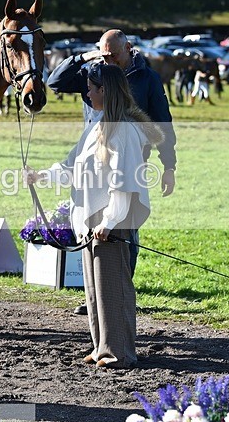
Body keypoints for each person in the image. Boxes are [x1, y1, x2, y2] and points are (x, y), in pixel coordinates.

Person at [25, 64, 163, 368]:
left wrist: (109, 221)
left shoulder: (123, 130)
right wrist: (40, 176)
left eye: (91, 88)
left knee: (111, 287)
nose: (87, 93)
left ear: (105, 91)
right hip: (89, 217)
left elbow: (123, 181)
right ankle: (101, 345)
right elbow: (72, 168)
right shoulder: (96, 126)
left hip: (109, 220)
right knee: (93, 288)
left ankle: (119, 352)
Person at [48, 29, 177, 316]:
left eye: (113, 55)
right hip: (92, 158)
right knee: (92, 225)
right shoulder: (93, 71)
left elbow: (163, 123)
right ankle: (95, 295)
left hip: (129, 160)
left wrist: (169, 166)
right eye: (103, 54)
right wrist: (84, 57)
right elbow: (55, 81)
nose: (108, 60)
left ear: (128, 49)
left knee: (124, 228)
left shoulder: (148, 78)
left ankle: (121, 291)